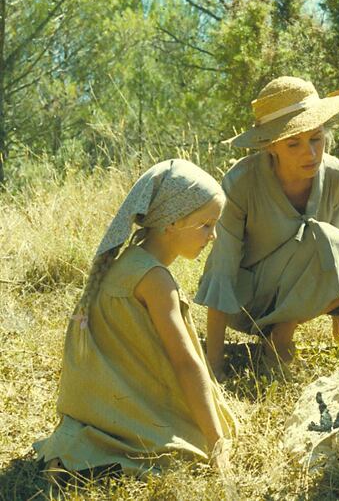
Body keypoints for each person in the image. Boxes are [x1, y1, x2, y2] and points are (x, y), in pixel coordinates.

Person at [34, 159, 237, 480]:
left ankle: (80, 450)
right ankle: (95, 457)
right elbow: (186, 363)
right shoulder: (155, 279)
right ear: (171, 222)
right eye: (206, 224)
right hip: (128, 405)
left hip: (98, 403)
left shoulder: (125, 261)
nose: (212, 236)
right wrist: (217, 444)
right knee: (196, 441)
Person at [195, 76, 339, 380]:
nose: (309, 153)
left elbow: (338, 255)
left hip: (302, 296)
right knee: (315, 236)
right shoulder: (241, 183)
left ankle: (282, 333)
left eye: (316, 139)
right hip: (247, 302)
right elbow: (222, 269)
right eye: (294, 143)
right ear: (271, 146)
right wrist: (214, 363)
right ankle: (274, 336)